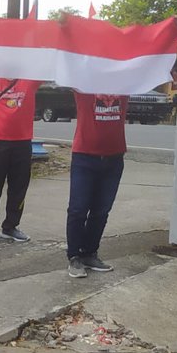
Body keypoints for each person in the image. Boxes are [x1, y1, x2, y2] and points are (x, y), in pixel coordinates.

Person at [66, 92, 128, 278]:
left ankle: (89, 253)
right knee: (78, 209)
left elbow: (145, 76)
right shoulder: (84, 86)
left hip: (114, 158)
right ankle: (74, 256)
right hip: (85, 157)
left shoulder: (125, 85)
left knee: (101, 210)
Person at [0, 78, 41, 245]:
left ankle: (10, 226)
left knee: (19, 187)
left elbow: (47, 66)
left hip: (22, 141)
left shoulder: (29, 80)